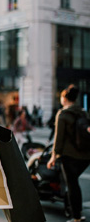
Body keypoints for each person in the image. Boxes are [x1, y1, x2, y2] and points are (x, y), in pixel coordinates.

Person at [47, 85, 90, 222]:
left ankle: (76, 217)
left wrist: (53, 156)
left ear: (64, 98)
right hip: (85, 156)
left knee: (72, 185)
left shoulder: (63, 114)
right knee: (74, 183)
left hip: (69, 156)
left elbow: (58, 139)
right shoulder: (82, 112)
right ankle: (76, 213)